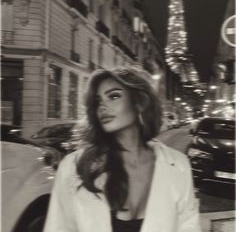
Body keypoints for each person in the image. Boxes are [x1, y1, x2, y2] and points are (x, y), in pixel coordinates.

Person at [43, 66, 202, 232]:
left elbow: (189, 227)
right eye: (98, 101)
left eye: (113, 96)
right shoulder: (74, 167)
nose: (102, 107)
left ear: (139, 103)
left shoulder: (178, 166)